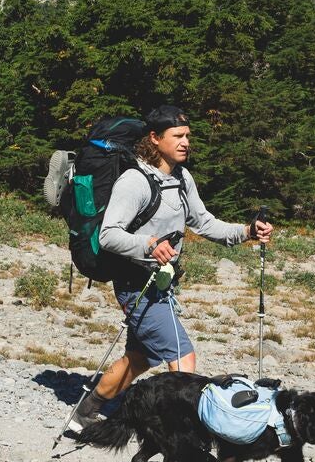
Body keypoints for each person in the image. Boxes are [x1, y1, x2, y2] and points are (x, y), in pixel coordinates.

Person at [67, 104, 272, 435]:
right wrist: (149, 244)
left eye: (188, 136)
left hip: (160, 285)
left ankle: (85, 412)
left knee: (140, 358)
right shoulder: (134, 181)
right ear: (154, 138)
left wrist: (246, 232)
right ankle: (183, 439)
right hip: (137, 285)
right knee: (183, 360)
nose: (185, 142)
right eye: (177, 136)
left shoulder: (181, 177)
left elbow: (203, 222)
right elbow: (108, 234)